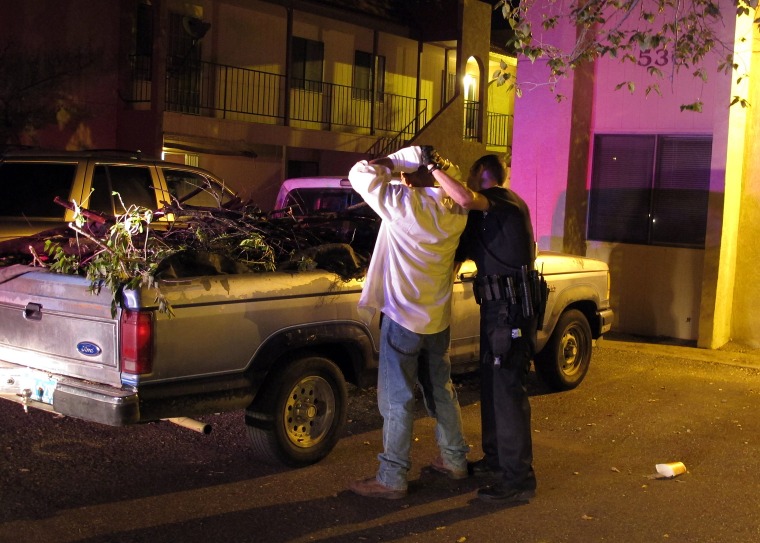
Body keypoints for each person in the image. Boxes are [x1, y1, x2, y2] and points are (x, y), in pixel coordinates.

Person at [347, 146, 470, 499]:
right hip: (437, 319)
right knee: (441, 391)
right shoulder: (457, 211)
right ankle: (454, 460)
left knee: (398, 399)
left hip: (403, 319)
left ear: (411, 175)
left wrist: (394, 160)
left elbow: (360, 173)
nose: (401, 177)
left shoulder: (404, 204)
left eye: (406, 172)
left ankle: (392, 477)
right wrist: (421, 168)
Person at [428, 151, 540, 504]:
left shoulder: (505, 202)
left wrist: (433, 168)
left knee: (508, 393)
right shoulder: (483, 216)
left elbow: (462, 196)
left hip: (511, 313)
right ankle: (496, 462)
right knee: (492, 387)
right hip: (496, 311)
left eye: (470, 175)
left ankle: (518, 480)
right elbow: (455, 253)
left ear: (481, 173)